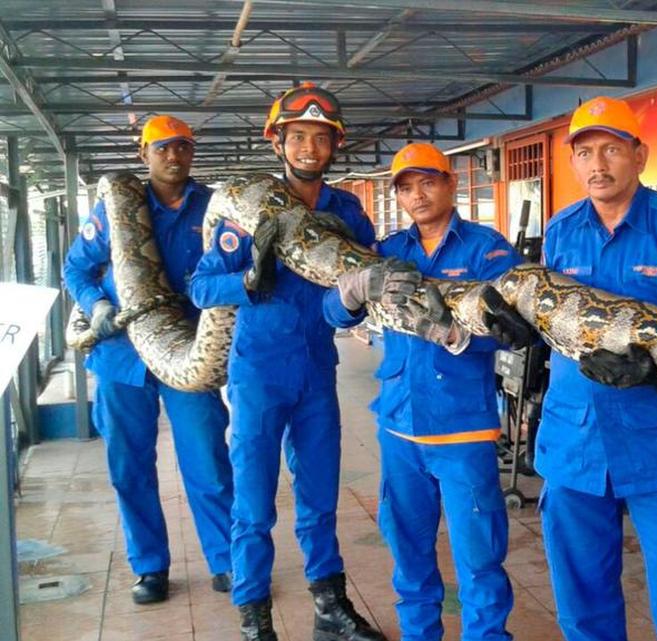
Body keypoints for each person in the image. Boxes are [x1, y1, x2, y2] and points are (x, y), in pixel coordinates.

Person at [519, 97, 657, 641]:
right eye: (585, 151)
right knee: (582, 598)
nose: (598, 164)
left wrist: (654, 370)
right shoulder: (561, 230)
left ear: (639, 155)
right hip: (573, 442)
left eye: (612, 149)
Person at [189, 83, 385, 641]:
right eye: (297, 136)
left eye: (320, 138)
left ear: (333, 146)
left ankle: (329, 606)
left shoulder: (346, 212)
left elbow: (352, 293)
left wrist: (350, 303)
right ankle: (254, 617)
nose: (308, 147)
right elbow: (201, 288)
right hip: (257, 374)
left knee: (320, 494)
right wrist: (247, 281)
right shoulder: (248, 211)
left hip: (317, 370)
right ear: (277, 141)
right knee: (253, 501)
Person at [325, 142, 535, 641]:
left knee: (479, 557)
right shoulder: (390, 252)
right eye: (405, 187)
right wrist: (350, 292)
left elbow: (518, 332)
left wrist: (463, 338)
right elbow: (332, 317)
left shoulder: (488, 250)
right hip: (399, 424)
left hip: (463, 427)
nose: (416, 195)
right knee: (409, 553)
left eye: (427, 182)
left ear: (450, 183)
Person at [63, 115, 234, 605]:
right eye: (162, 149)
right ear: (145, 155)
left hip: (186, 351)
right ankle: (150, 566)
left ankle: (224, 560)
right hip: (121, 356)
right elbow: (76, 266)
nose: (173, 157)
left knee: (206, 457)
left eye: (182, 147)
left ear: (192, 152)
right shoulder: (117, 207)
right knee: (129, 464)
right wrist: (96, 303)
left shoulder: (213, 208)